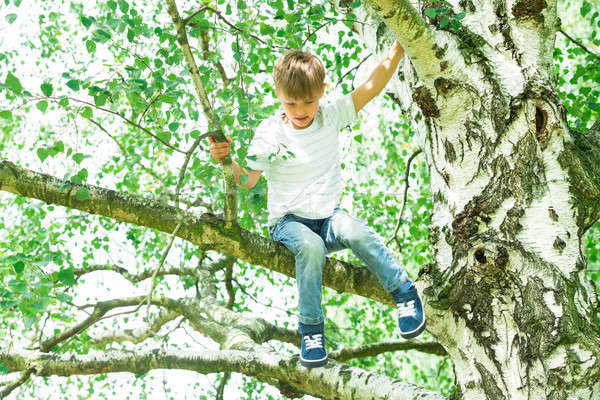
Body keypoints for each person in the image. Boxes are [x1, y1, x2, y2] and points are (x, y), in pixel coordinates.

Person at [208, 40, 425, 368]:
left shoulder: (331, 114)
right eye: (291, 102)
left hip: (328, 217)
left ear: (322, 91)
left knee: (356, 231)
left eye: (308, 101)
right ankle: (310, 329)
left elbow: (371, 86)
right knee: (310, 248)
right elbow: (248, 180)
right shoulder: (268, 133)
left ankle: (404, 292)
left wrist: (398, 47)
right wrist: (225, 161)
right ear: (277, 93)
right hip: (289, 222)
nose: (300, 110)